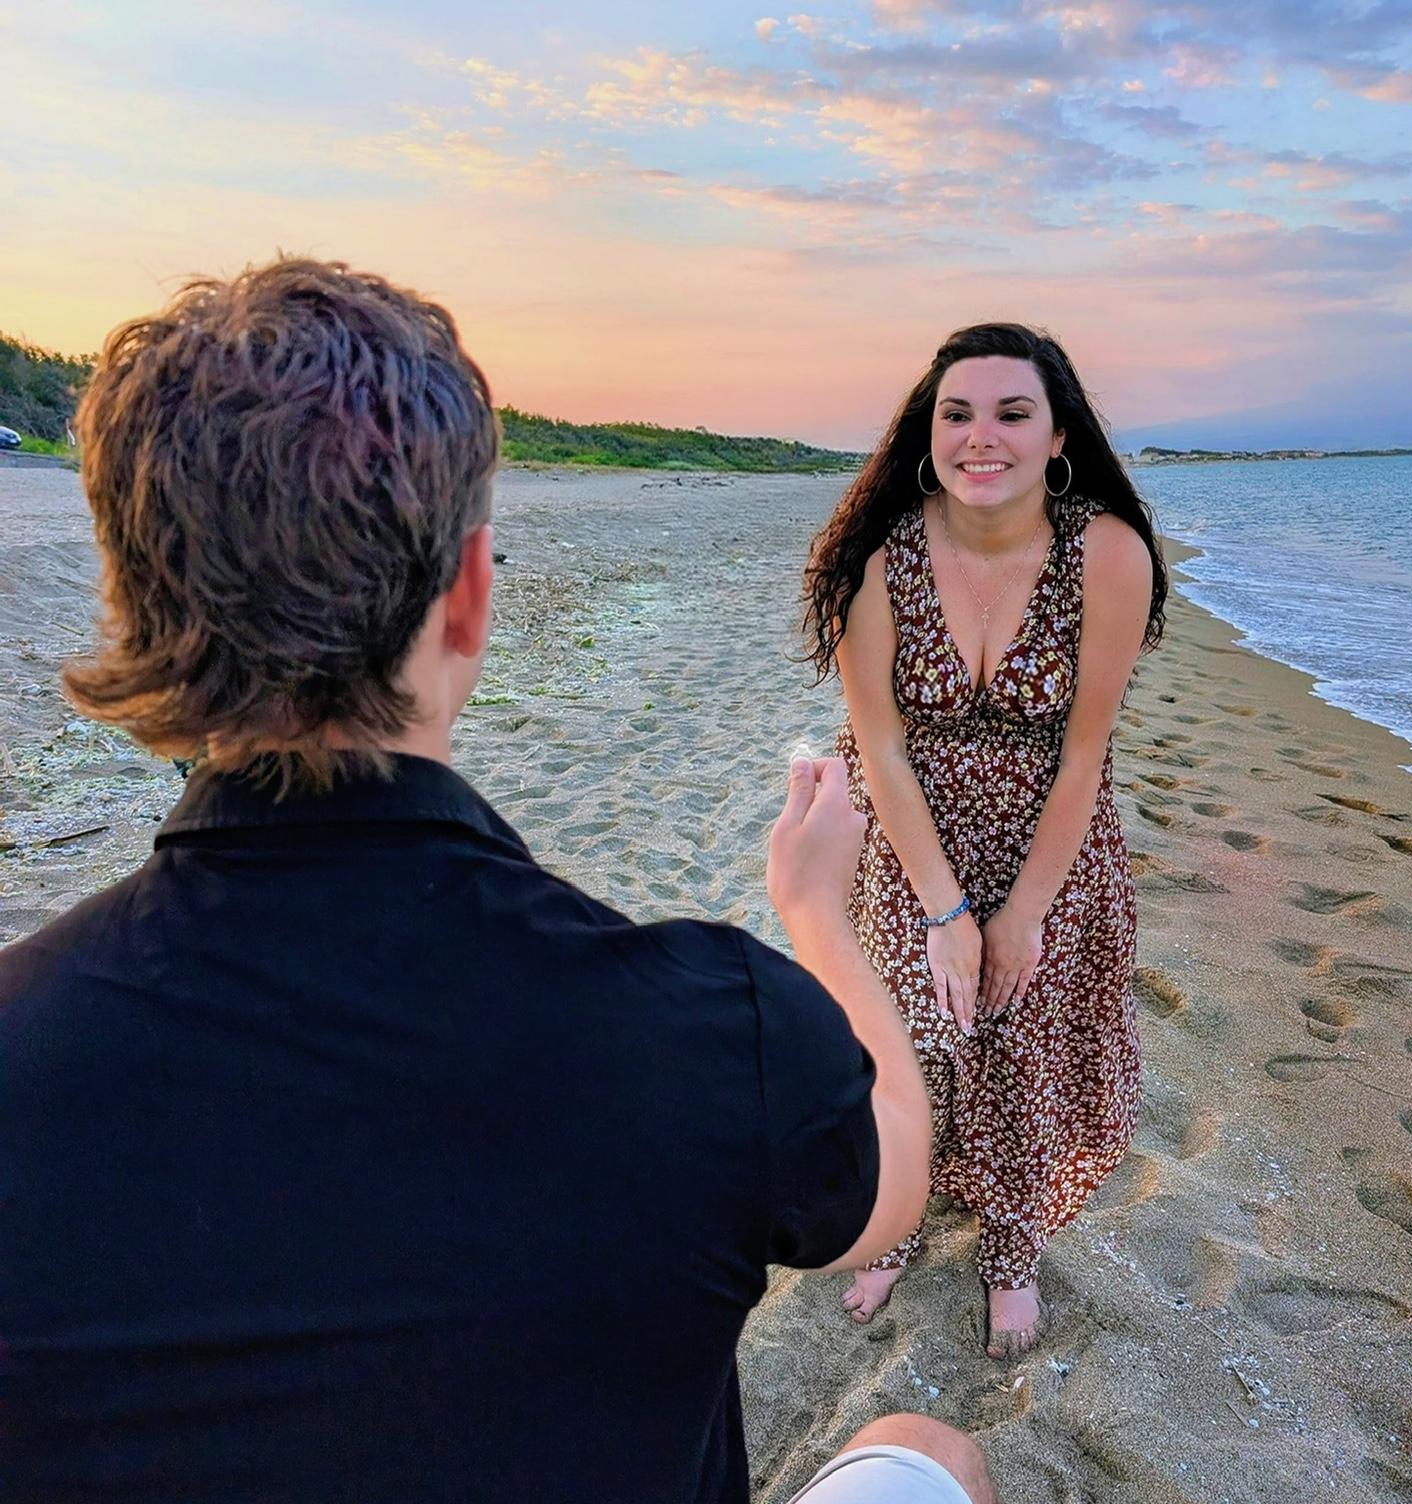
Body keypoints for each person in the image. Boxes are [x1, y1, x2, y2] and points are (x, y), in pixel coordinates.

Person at [0, 259, 988, 1504]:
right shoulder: (704, 1025)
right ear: (468, 596)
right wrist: (817, 919)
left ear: (137, 608)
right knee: (933, 1451)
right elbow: (892, 1182)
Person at [802, 322, 1167, 1362]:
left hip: (1048, 842)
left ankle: (1011, 1249)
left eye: (1012, 413)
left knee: (1018, 1040)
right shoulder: (877, 557)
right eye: (957, 413)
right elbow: (877, 742)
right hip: (908, 840)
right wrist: (945, 909)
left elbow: (1085, 753)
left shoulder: (1107, 553)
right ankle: (896, 1219)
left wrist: (1019, 914)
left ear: (1058, 437)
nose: (981, 437)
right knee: (908, 1039)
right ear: (929, 430)